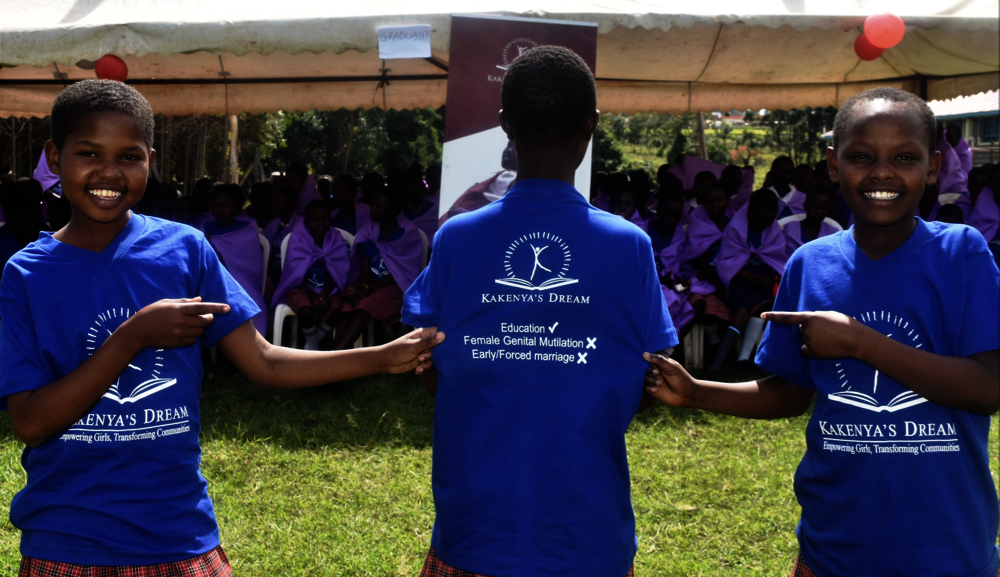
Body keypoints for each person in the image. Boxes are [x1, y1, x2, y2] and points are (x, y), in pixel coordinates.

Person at [0, 79, 443, 576]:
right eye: (89, 153)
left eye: (129, 156)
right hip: (68, 541)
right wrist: (132, 337)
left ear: (150, 159)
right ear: (55, 158)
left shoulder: (184, 250)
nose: (109, 172)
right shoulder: (26, 273)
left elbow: (263, 359)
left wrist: (380, 357)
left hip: (177, 533)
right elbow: (31, 423)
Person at [644, 86, 999, 577]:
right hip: (834, 546)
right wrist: (700, 391)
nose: (880, 171)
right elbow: (791, 391)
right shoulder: (809, 265)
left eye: (904, 157)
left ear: (934, 167)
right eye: (860, 156)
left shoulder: (962, 253)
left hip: (944, 545)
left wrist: (860, 342)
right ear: (833, 165)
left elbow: (988, 388)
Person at [402, 45, 677, 577]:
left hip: (474, 528)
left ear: (506, 126)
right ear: (592, 126)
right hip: (586, 532)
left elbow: (433, 369)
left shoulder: (457, 237)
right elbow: (642, 382)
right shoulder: (629, 245)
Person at [333, 185, 423, 350]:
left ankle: (334, 358)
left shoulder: (407, 234)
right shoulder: (368, 232)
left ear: (392, 210)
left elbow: (403, 276)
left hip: (398, 288)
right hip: (371, 287)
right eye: (372, 204)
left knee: (364, 304)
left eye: (378, 206)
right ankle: (332, 357)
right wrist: (356, 286)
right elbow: (365, 273)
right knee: (347, 305)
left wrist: (367, 287)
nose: (372, 209)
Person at [708, 188, 786, 372]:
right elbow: (726, 262)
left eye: (769, 221)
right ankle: (716, 366)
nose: (765, 224)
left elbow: (777, 257)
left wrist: (774, 276)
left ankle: (743, 360)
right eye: (760, 220)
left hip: (763, 280)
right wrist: (754, 278)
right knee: (740, 315)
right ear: (750, 211)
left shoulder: (772, 227)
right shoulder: (735, 228)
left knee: (765, 309)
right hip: (740, 279)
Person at [271, 200, 351, 350]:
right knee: (305, 311)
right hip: (301, 288)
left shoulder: (336, 237)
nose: (320, 223)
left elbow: (339, 271)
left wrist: (324, 294)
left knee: (337, 309)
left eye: (325, 218)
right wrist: (312, 293)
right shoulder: (297, 238)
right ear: (306, 221)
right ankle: (314, 348)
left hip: (329, 288)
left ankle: (312, 344)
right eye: (315, 219)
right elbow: (292, 273)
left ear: (330, 218)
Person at [199, 183, 268, 335]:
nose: (220, 210)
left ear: (236, 207)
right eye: (216, 206)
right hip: (211, 284)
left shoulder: (247, 228)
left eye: (226, 206)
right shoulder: (206, 227)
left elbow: (250, 263)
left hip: (242, 284)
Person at [438, 139, 517, 227]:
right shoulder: (505, 176)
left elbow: (499, 220)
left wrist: (465, 216)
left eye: (516, 148)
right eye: (508, 145)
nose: (509, 150)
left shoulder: (511, 177)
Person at [781, 189, 840, 257]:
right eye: (814, 206)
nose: (818, 211)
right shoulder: (790, 229)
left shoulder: (833, 233)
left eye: (823, 208)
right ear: (805, 206)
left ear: (828, 210)